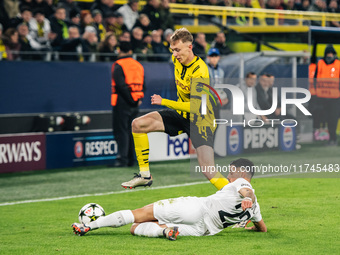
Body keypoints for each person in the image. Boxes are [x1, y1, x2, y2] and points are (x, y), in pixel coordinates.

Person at [121, 28, 229, 190]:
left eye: (178, 50)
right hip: (181, 115)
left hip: (201, 120)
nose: (175, 54)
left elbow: (195, 106)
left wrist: (163, 101)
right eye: (172, 50)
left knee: (208, 169)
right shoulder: (176, 59)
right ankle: (144, 175)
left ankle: (239, 198)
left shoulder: (200, 71)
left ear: (190, 47)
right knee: (138, 124)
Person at [72, 158, 267, 239]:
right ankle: (164, 232)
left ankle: (89, 226)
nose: (229, 176)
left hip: (196, 208)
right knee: (134, 229)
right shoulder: (255, 208)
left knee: (140, 214)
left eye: (230, 172)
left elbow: (247, 192)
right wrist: (249, 225)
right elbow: (262, 228)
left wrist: (246, 197)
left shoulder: (242, 184)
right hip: (203, 230)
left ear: (241, 173)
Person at [111, 41, 145, 167]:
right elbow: (144, 84)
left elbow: (120, 85)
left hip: (122, 102)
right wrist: (137, 99)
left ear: (120, 50)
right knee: (133, 131)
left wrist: (130, 99)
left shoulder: (118, 65)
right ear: (130, 51)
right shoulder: (138, 65)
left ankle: (122, 159)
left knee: (121, 131)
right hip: (136, 102)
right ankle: (133, 159)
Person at [313, 44, 340, 146]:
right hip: (323, 97)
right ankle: (329, 138)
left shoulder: (338, 64)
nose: (329, 55)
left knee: (334, 118)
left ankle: (333, 138)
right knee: (326, 118)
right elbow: (315, 79)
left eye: (331, 53)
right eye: (328, 53)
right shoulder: (320, 64)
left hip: (335, 97)